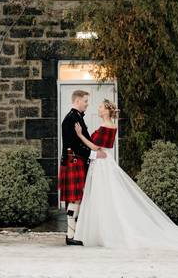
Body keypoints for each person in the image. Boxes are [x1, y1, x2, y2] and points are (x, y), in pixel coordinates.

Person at [73, 99, 178, 250]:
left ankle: (108, 232)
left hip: (102, 165)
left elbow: (95, 146)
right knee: (106, 197)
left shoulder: (106, 126)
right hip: (102, 163)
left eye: (100, 107)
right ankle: (103, 231)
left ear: (106, 111)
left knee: (105, 197)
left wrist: (80, 135)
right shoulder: (109, 125)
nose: (98, 109)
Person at [59, 89, 105, 246]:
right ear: (77, 101)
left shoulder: (76, 117)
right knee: (75, 199)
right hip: (73, 161)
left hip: (77, 161)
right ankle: (70, 235)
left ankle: (73, 234)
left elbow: (82, 139)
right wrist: (93, 155)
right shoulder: (71, 119)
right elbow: (73, 145)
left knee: (77, 199)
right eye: (85, 101)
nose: (87, 104)